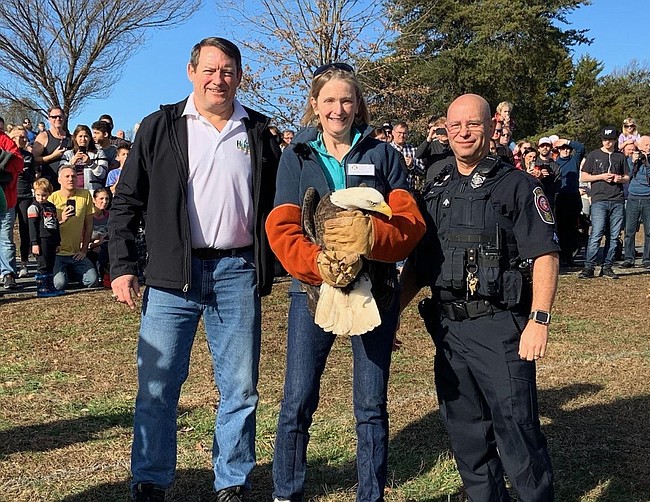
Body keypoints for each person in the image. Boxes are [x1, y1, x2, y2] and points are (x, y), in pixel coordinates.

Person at [107, 37, 281, 502]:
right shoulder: (160, 126)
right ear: (190, 72)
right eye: (208, 70)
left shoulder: (259, 132)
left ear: (239, 76)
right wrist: (123, 265)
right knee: (158, 387)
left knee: (240, 388)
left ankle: (232, 481)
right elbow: (127, 200)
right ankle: (150, 479)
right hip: (170, 278)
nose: (217, 79)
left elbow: (277, 209)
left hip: (236, 271)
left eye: (227, 71)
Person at [265, 63, 425, 502]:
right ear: (315, 105)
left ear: (359, 106)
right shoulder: (296, 155)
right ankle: (286, 491)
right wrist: (316, 264)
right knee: (297, 398)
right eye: (330, 100)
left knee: (371, 405)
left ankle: (371, 495)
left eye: (347, 100)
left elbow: (410, 222)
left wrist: (375, 238)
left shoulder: (384, 155)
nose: (338, 109)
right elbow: (280, 226)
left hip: (375, 292)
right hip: (312, 291)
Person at [399, 93, 559, 502]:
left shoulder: (519, 185)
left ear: (491, 128)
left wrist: (539, 320)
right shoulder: (436, 188)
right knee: (466, 432)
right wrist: (391, 312)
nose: (464, 133)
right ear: (445, 131)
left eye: (473, 125)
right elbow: (420, 264)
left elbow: (545, 253)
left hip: (500, 326)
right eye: (456, 126)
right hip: (449, 330)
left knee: (516, 429)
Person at [578, 127, 628, 279]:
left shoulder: (620, 157)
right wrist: (601, 177)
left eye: (611, 139)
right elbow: (584, 177)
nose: (608, 142)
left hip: (617, 199)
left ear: (615, 140)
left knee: (613, 236)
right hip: (599, 199)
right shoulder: (594, 155)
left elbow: (627, 176)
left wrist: (620, 179)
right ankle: (589, 267)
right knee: (596, 233)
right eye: (605, 139)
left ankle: (607, 266)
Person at [49, 165, 98, 290]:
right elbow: (46, 229)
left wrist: (84, 250)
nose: (71, 179)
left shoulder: (85, 194)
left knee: (92, 281)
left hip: (76, 253)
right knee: (59, 285)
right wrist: (61, 220)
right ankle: (63, 273)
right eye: (67, 176)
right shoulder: (52, 198)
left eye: (74, 176)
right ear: (59, 180)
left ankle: (71, 272)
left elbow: (89, 224)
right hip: (58, 253)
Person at [620, 135, 650, 269]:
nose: (648, 148)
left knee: (649, 230)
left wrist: (647, 163)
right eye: (645, 145)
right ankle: (629, 258)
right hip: (633, 197)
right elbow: (627, 175)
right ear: (639, 146)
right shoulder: (631, 159)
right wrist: (633, 161)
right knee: (630, 230)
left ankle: (647, 258)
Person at [8, 126, 37, 278]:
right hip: (9, 196)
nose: (22, 140)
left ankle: (24, 263)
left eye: (25, 137)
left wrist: (28, 175)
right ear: (11, 138)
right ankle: (8, 267)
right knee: (7, 232)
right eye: (19, 137)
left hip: (25, 195)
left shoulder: (28, 156)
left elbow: (33, 176)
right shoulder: (6, 153)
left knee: (25, 229)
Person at [27, 178, 64, 297]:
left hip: (51, 239)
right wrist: (34, 243)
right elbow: (32, 227)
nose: (41, 198)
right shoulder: (34, 207)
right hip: (41, 239)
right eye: (38, 195)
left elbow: (55, 225)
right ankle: (42, 288)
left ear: (49, 194)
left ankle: (50, 286)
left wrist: (58, 241)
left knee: (50, 263)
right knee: (43, 264)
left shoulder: (51, 207)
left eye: (44, 195)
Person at [553, 137, 586, 266]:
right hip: (560, 197)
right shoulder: (555, 163)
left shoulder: (574, 160)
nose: (565, 151)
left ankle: (570, 256)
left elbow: (581, 148)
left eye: (567, 149)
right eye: (563, 149)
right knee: (560, 228)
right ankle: (561, 256)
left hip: (573, 197)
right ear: (559, 151)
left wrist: (566, 142)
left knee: (572, 228)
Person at [0, 124, 24, 289]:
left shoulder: (4, 139)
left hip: (6, 198)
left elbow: (19, 164)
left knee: (5, 238)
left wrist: (2, 160)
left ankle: (8, 273)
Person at [59, 124, 108, 192]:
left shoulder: (98, 153)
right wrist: (72, 162)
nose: (83, 139)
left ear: (90, 138)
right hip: (72, 192)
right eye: (80, 136)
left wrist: (90, 163)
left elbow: (103, 174)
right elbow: (60, 174)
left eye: (86, 136)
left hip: (91, 191)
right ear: (75, 138)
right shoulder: (68, 154)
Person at [32, 106, 72, 188]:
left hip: (68, 184)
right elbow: (34, 160)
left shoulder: (71, 138)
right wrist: (53, 156)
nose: (58, 119)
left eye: (60, 116)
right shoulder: (43, 136)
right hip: (49, 184)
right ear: (49, 118)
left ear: (64, 117)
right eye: (54, 117)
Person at [390, 121, 425, 191]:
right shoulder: (388, 149)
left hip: (409, 190)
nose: (402, 136)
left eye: (404, 133)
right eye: (399, 133)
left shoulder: (413, 150)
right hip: (391, 190)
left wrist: (412, 165)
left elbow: (422, 171)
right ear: (393, 133)